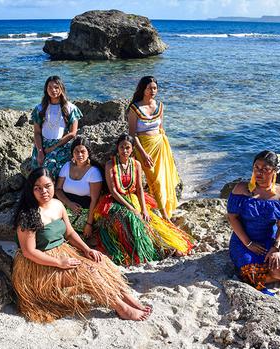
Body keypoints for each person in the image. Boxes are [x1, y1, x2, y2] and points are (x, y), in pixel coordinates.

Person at [11, 167, 152, 323]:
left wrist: (87, 249)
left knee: (100, 262)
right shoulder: (27, 215)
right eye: (37, 188)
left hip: (61, 252)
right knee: (87, 273)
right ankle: (121, 308)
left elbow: (70, 233)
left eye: (47, 186)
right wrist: (60, 263)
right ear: (31, 190)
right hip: (39, 264)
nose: (43, 191)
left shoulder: (57, 204)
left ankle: (128, 299)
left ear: (54, 185)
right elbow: (29, 252)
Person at [94, 134, 194, 266]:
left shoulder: (136, 164)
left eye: (128, 148)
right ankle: (149, 251)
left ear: (132, 149)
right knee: (131, 218)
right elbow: (113, 191)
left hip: (134, 198)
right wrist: (131, 208)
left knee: (149, 220)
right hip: (116, 200)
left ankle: (164, 246)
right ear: (117, 148)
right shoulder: (110, 165)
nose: (124, 151)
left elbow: (140, 188)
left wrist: (144, 209)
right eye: (122, 147)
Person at [227, 151, 280, 296]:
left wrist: (276, 247)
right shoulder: (241, 189)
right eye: (256, 167)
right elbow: (232, 218)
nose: (259, 173)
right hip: (243, 239)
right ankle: (248, 271)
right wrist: (248, 243)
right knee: (253, 275)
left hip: (270, 240)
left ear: (274, 171)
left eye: (265, 169)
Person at [127, 76, 180, 220]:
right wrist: (143, 154)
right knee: (154, 180)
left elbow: (161, 129)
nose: (153, 91)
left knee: (163, 179)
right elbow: (132, 134)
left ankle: (165, 211)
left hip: (160, 146)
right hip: (143, 147)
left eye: (155, 88)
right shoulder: (135, 108)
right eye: (149, 88)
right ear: (143, 89)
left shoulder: (160, 106)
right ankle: (164, 214)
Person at [30, 75, 82, 178]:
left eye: (56, 87)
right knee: (38, 173)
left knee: (52, 168)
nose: (53, 90)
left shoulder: (71, 108)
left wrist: (53, 147)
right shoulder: (40, 109)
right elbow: (37, 133)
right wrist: (40, 151)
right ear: (46, 90)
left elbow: (73, 133)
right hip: (42, 145)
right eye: (50, 87)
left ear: (62, 88)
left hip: (62, 144)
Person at [55, 136, 103, 238]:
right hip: (65, 206)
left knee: (73, 237)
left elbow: (94, 200)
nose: (79, 154)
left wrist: (89, 224)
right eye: (76, 151)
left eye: (83, 151)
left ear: (88, 153)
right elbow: (58, 189)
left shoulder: (94, 172)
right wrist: (69, 203)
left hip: (84, 211)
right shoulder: (66, 166)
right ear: (72, 153)